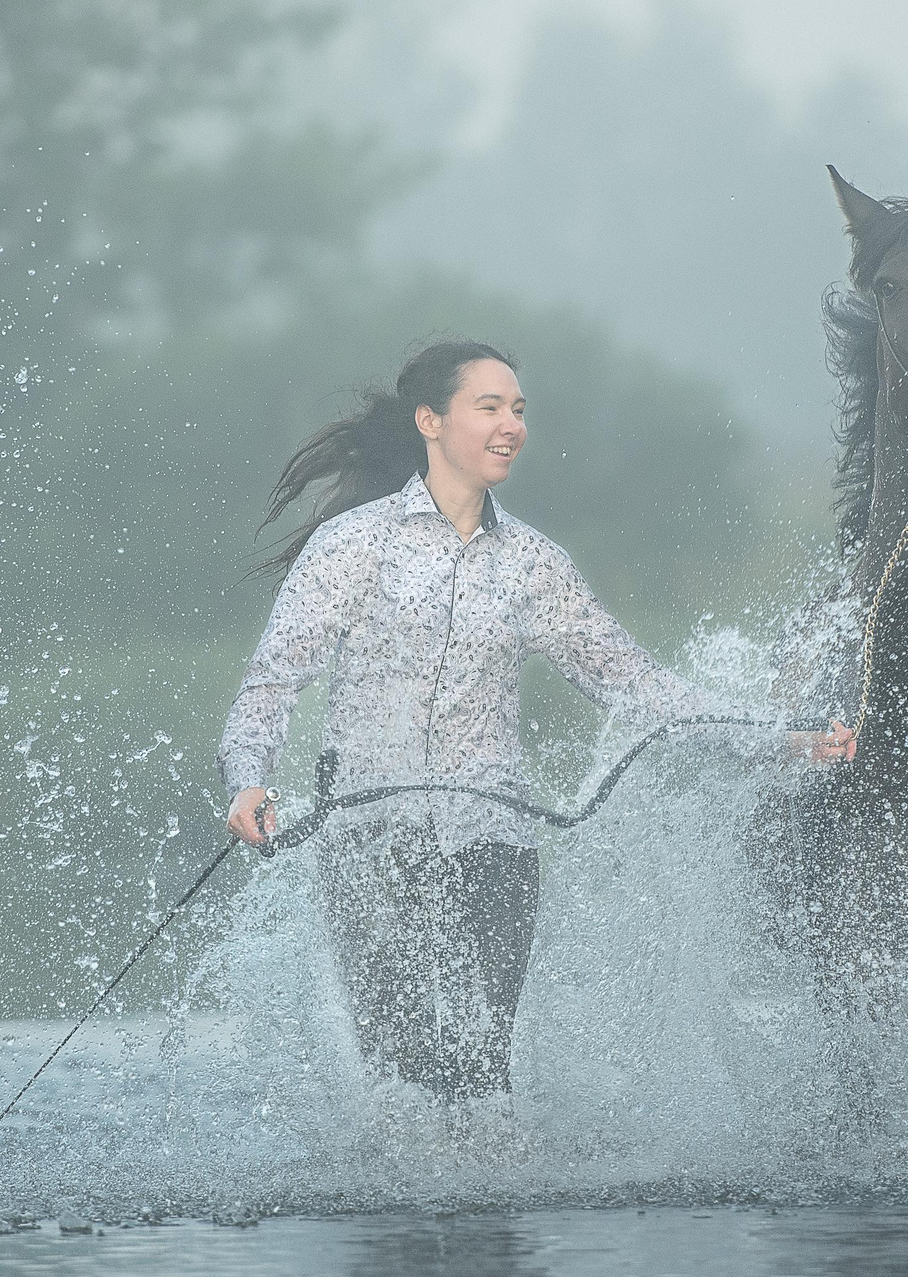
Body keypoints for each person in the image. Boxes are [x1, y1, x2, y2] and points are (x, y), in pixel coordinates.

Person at [220, 340, 852, 1109]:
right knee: (402, 1081)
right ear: (430, 420)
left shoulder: (534, 565)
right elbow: (272, 681)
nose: (511, 424)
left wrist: (776, 735)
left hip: (495, 847)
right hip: (370, 845)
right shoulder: (351, 548)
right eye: (489, 407)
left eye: (518, 409)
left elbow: (635, 683)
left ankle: (492, 1206)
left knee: (485, 1077)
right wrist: (248, 777)